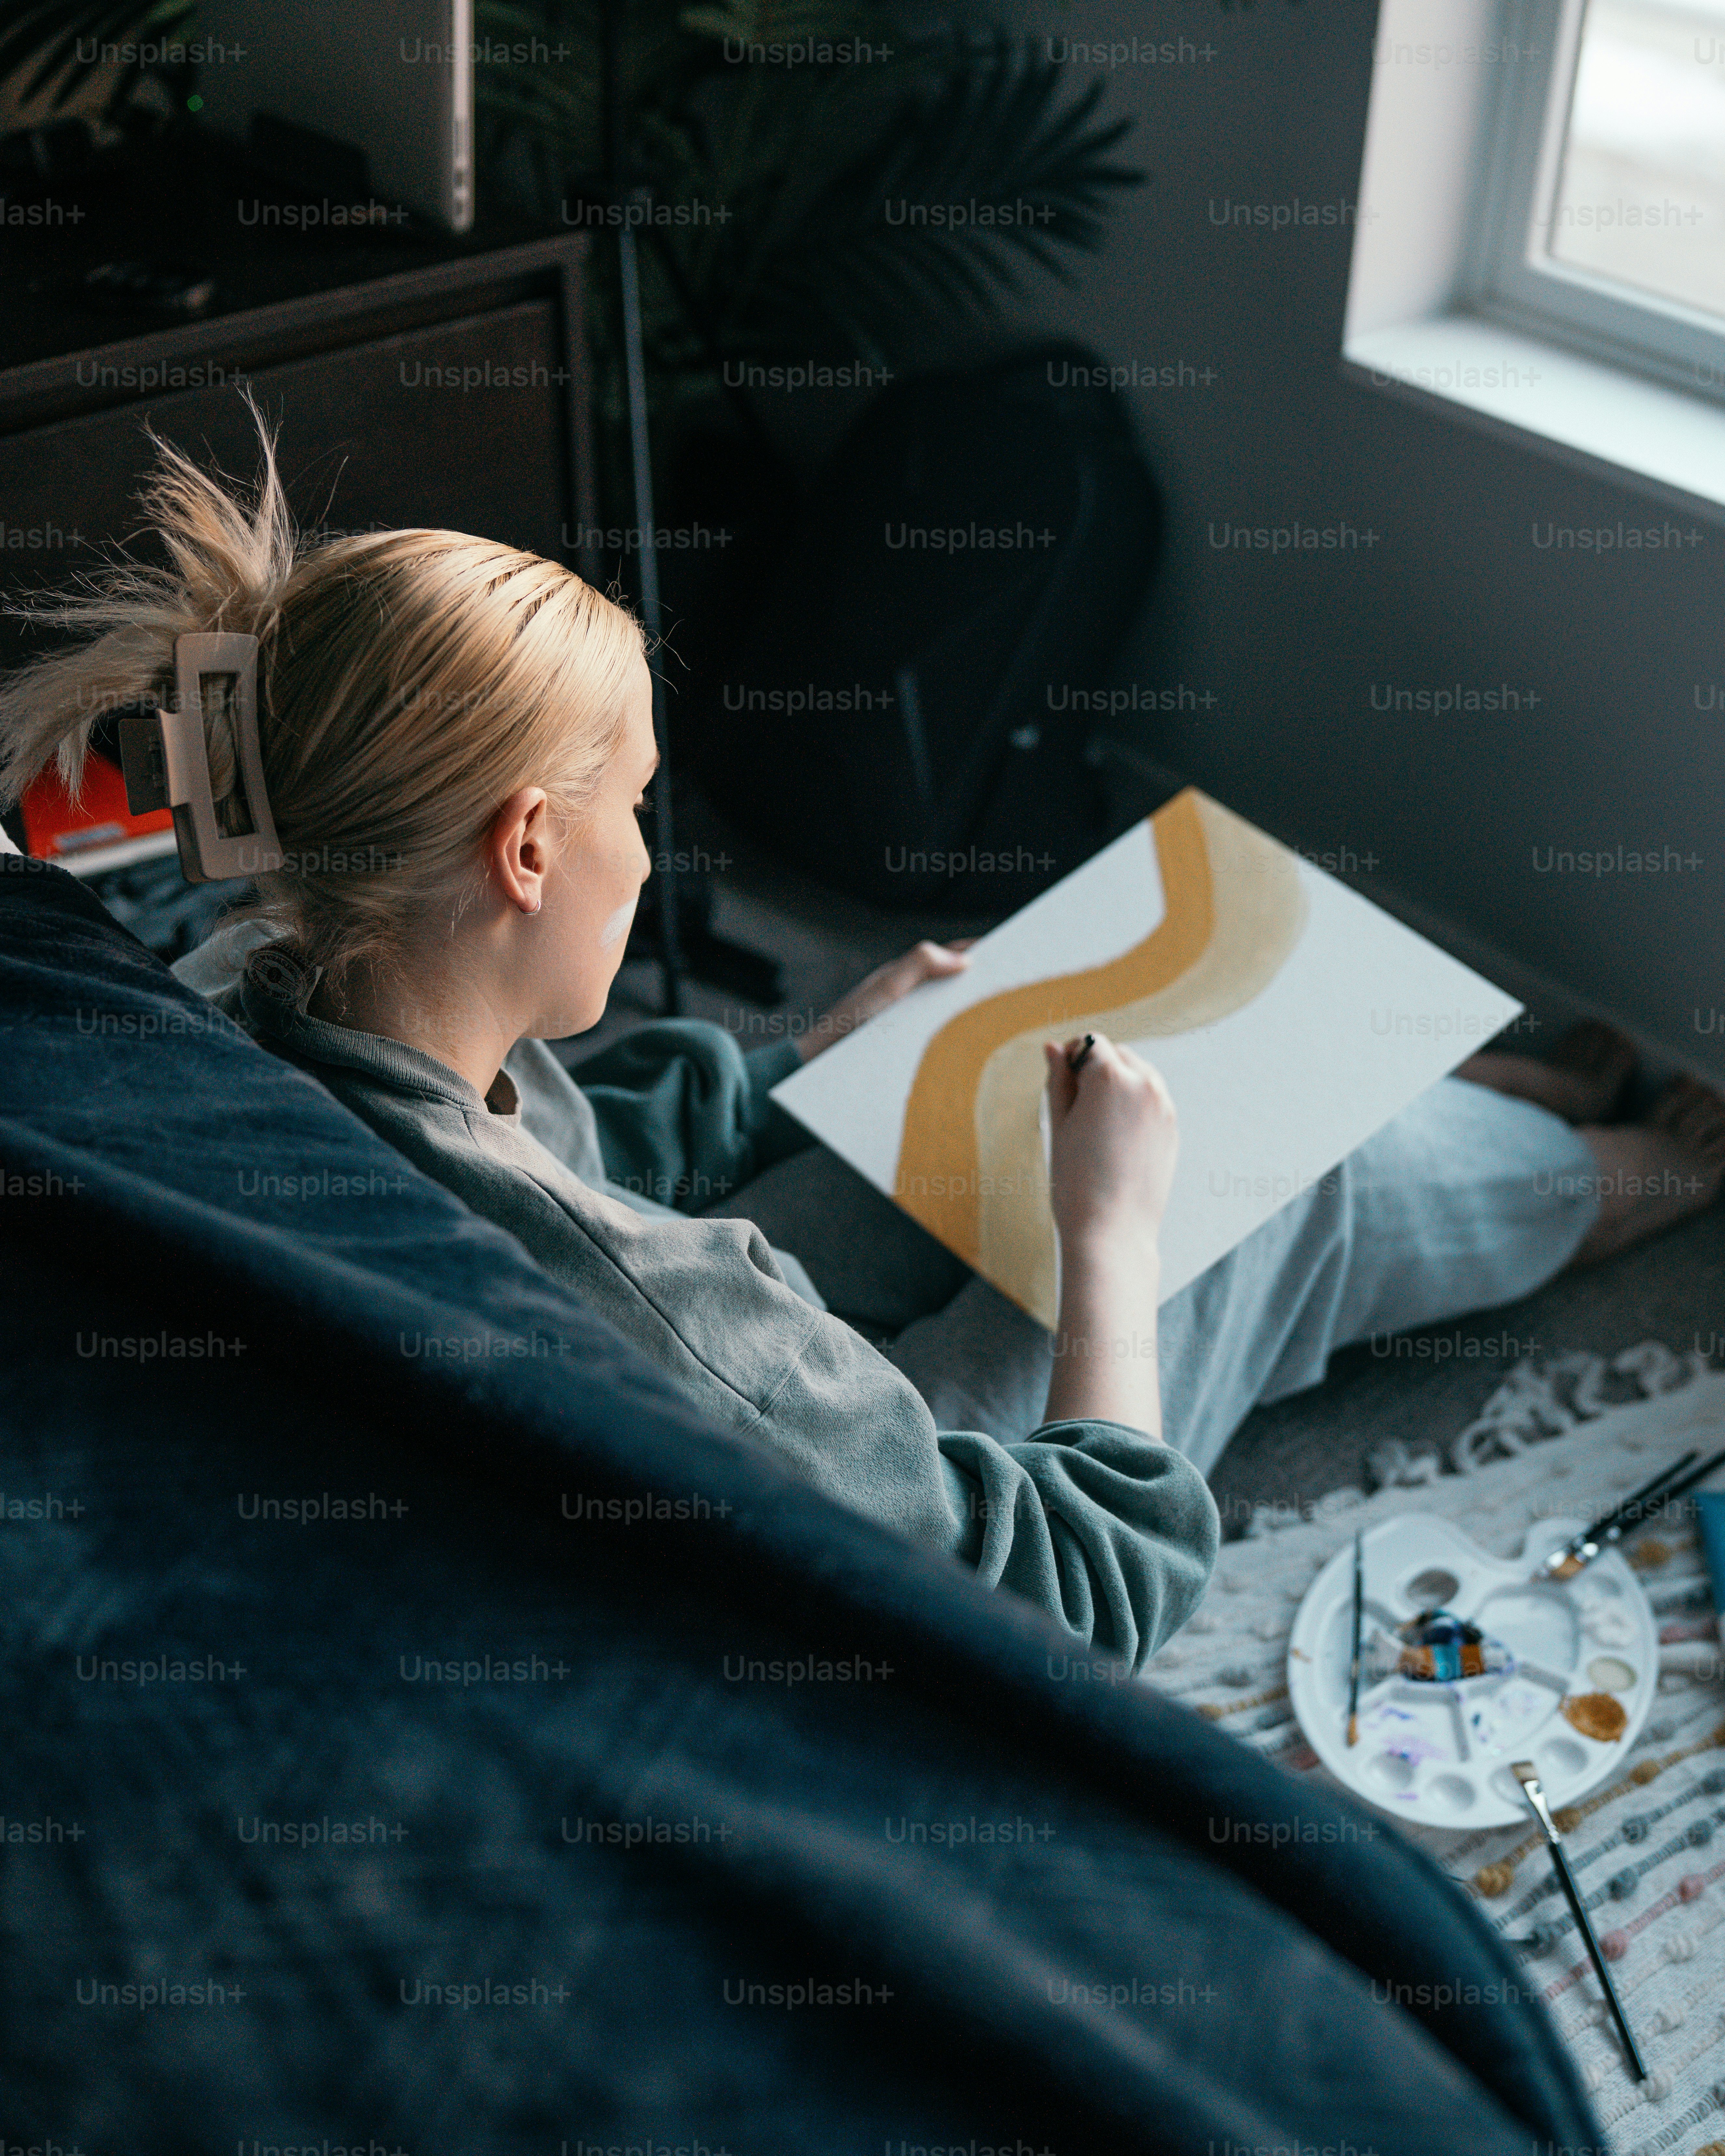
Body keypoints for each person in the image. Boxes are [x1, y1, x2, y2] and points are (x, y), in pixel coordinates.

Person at [3, 400, 1721, 1673]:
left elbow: (545, 1139)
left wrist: (797, 1059)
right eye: (642, 806)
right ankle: (1613, 1167)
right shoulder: (696, 1324)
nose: (654, 848)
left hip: (604, 1352)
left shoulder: (256, 989)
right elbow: (1079, 1587)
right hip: (800, 1530)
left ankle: (1460, 1092)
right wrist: (1113, 1234)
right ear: (527, 846)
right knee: (1257, 1188)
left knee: (994, 1055)